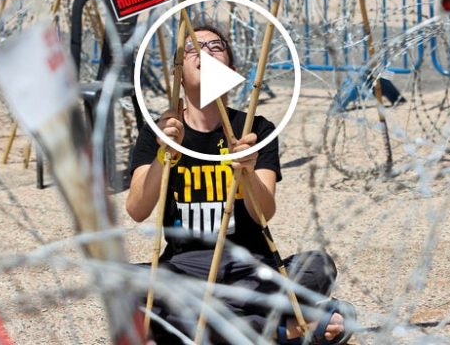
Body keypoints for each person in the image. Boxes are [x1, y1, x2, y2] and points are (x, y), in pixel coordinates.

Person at [127, 25, 354, 344]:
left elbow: (264, 213)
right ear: (177, 73)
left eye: (215, 46)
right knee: (126, 284)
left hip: (250, 269)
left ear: (231, 71)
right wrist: (164, 155)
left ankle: (220, 325)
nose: (203, 50)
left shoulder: (255, 129)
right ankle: (288, 328)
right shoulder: (159, 132)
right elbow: (136, 209)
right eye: (192, 47)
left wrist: (247, 170)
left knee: (319, 266)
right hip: (184, 269)